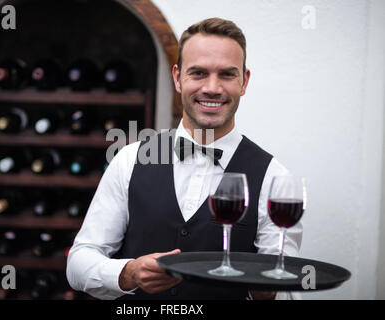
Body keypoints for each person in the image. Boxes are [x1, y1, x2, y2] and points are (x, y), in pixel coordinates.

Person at [66, 17, 303, 300]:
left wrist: (266, 288)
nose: (212, 88)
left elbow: (287, 289)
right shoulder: (129, 160)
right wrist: (128, 273)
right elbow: (79, 262)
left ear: (244, 81)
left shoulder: (274, 179)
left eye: (227, 74)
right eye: (199, 73)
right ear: (178, 78)